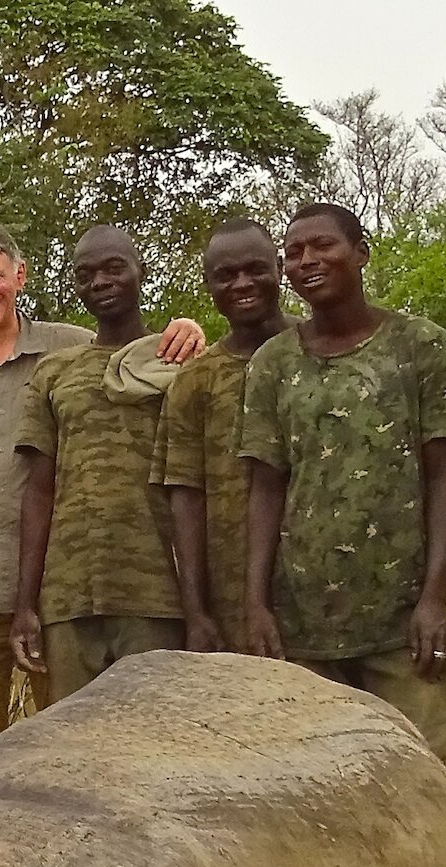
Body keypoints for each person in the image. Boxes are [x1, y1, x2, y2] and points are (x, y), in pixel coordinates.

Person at [0, 225, 202, 757]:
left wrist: (185, 329)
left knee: (70, 736)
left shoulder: (71, 346)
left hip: (64, 582)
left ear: (19, 277)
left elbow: (141, 355)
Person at [239, 202, 446, 794]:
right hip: (304, 625)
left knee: (434, 774)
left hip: (400, 623)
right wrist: (256, 605)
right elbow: (266, 487)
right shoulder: (273, 364)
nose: (306, 261)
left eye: (321, 246)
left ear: (361, 252)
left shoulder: (422, 347)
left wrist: (434, 601)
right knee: (322, 788)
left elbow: (445, 480)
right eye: (293, 253)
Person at [13, 225, 213, 702]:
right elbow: (38, 489)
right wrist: (25, 605)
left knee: (155, 741)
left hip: (157, 594)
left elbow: (200, 485)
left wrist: (201, 607)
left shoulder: (178, 361)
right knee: (72, 750)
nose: (99, 282)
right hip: (68, 596)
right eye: (85, 274)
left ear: (140, 271)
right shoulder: (55, 371)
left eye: (113, 268)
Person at [155, 219, 288, 654]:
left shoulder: (319, 350)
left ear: (280, 269)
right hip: (234, 604)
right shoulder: (196, 378)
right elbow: (185, 497)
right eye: (225, 276)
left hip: (329, 591)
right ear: (209, 284)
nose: (242, 284)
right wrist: (195, 612)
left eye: (255, 269)